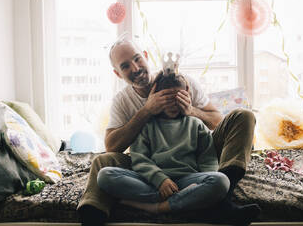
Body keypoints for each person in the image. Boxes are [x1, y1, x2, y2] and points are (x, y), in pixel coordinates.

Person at [77, 37, 260, 226]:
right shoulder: (123, 101)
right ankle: (93, 212)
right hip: (151, 166)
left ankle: (221, 201)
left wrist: (192, 111)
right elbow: (112, 146)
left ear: (146, 56)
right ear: (117, 74)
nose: (135, 68)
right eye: (125, 66)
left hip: (192, 162)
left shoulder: (182, 82)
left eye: (137, 59)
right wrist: (146, 111)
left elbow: (217, 122)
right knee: (102, 162)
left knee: (244, 116)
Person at [97, 72, 230, 215]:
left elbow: (208, 159)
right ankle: (181, 199)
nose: (173, 103)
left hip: (188, 180)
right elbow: (140, 159)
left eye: (178, 98)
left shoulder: (196, 124)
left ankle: (159, 207)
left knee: (221, 181)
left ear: (187, 96)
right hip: (152, 182)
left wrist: (200, 185)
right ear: (155, 98)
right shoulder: (146, 126)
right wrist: (160, 180)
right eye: (166, 98)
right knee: (105, 175)